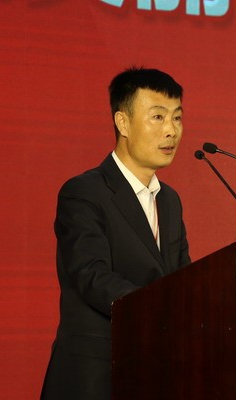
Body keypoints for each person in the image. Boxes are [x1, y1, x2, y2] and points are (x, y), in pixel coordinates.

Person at [40, 67, 191, 400]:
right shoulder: (84, 192)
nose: (171, 130)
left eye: (177, 118)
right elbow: (92, 276)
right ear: (122, 123)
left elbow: (181, 280)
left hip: (153, 373)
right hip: (95, 377)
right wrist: (160, 311)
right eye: (158, 117)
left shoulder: (169, 201)